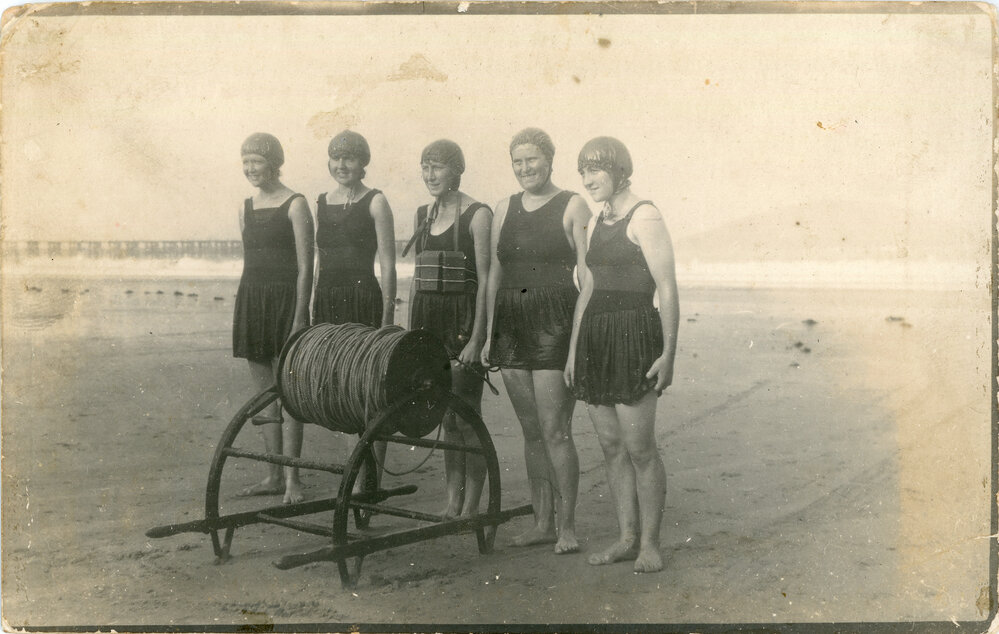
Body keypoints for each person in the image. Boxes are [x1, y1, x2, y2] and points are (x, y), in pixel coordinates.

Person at [565, 136, 679, 573]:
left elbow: (667, 287)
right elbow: (589, 289)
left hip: (634, 337)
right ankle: (626, 537)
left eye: (596, 170)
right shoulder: (596, 221)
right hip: (596, 340)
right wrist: (574, 351)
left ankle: (650, 543)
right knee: (611, 447)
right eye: (583, 172)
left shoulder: (644, 215)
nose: (588, 180)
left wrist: (668, 353)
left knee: (640, 448)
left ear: (618, 170)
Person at [482, 128, 591, 554]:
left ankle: (568, 528)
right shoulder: (503, 207)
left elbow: (588, 276)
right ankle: (542, 522)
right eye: (518, 162)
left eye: (533, 160)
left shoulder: (572, 204)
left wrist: (581, 339)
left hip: (554, 322)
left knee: (555, 430)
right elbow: (494, 273)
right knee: (530, 432)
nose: (525, 168)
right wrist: (491, 332)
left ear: (550, 159)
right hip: (511, 322)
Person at [407, 139, 492, 519]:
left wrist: (478, 338)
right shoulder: (423, 214)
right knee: (446, 416)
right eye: (425, 166)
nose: (430, 174)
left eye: (438, 166)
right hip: (429, 322)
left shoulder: (477, 214)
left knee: (467, 416)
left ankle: (472, 504)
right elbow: (416, 279)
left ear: (456, 169)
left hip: (462, 321)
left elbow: (488, 280)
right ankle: (452, 500)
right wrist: (410, 333)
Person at [232, 132, 315, 505]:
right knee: (265, 395)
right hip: (253, 300)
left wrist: (300, 316)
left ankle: (293, 480)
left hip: (286, 305)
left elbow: (305, 267)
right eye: (246, 161)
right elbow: (251, 260)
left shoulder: (296, 204)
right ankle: (272, 475)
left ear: (275, 163)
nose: (251, 169)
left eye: (258, 161)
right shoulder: (244, 206)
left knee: (290, 393)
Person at [313, 131, 396, 491]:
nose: (342, 165)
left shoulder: (376, 201)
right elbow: (319, 262)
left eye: (350, 158)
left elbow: (389, 267)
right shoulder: (320, 202)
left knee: (369, 388)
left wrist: (388, 319)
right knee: (341, 389)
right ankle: (356, 472)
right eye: (336, 158)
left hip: (363, 299)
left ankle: (371, 479)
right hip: (329, 300)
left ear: (363, 163)